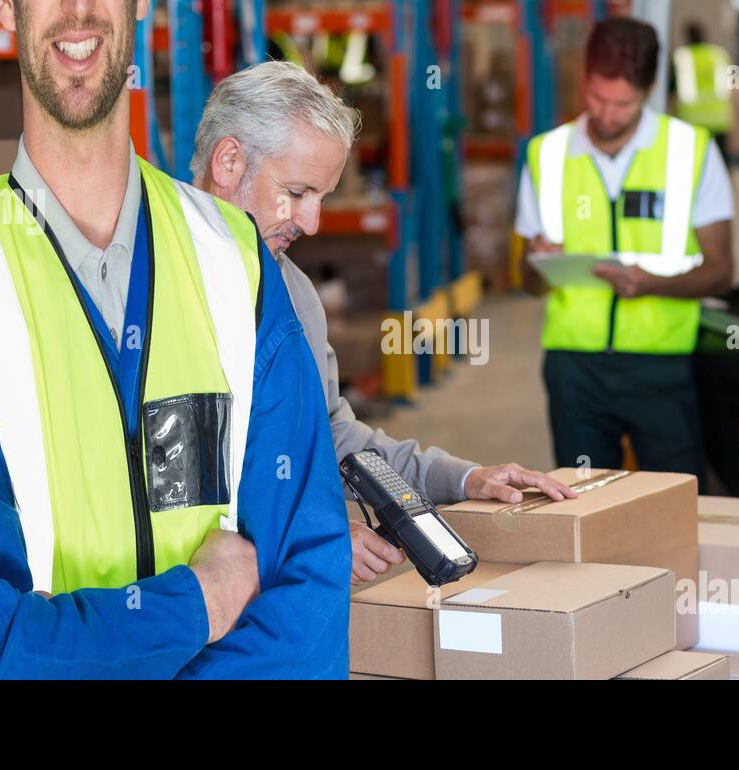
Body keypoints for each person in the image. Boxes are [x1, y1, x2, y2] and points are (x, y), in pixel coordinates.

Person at [0, 0, 350, 679]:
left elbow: (310, 598)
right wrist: (194, 604)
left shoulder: (234, 261)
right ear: (3, 8)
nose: (76, 12)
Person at [190, 61, 576, 586]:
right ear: (230, 161)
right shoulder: (147, 280)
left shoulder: (293, 292)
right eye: (298, 193)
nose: (312, 222)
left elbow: (329, 436)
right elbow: (165, 470)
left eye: (322, 199)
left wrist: (464, 478)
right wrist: (303, 536)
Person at [515, 17, 735, 480]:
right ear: (583, 80)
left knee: (673, 506)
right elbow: (527, 281)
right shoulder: (546, 155)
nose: (607, 114)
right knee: (584, 508)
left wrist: (649, 283)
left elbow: (720, 272)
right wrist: (538, 260)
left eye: (623, 103)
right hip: (574, 369)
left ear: (649, 90)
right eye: (597, 98)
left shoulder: (691, 151)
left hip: (662, 366)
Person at [672, 20, 735, 165]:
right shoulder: (719, 54)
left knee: (694, 161)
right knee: (722, 158)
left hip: (693, 118)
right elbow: (734, 80)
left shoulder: (682, 57)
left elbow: (673, 86)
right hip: (719, 116)